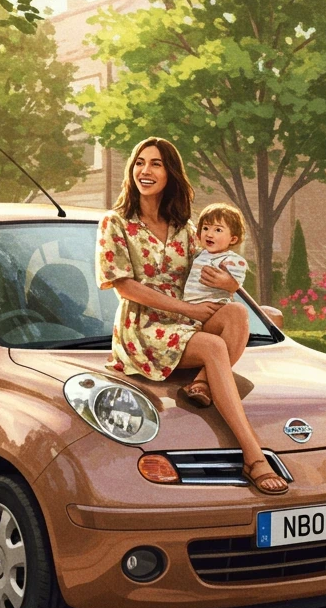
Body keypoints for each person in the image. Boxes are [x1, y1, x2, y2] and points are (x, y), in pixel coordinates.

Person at [96, 137, 287, 495]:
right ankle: (253, 455)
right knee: (215, 346)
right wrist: (189, 310)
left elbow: (212, 271)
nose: (145, 171)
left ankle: (201, 381)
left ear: (170, 174)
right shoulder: (116, 222)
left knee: (237, 316)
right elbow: (125, 287)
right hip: (143, 328)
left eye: (156, 164)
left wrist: (230, 281)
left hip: (184, 325)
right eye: (139, 162)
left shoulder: (185, 228)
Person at [183, 202, 249, 308]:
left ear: (233, 239)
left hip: (216, 307)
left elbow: (235, 287)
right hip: (191, 307)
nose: (209, 234)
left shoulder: (231, 260)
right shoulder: (199, 254)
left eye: (218, 230)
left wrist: (228, 282)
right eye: (205, 228)